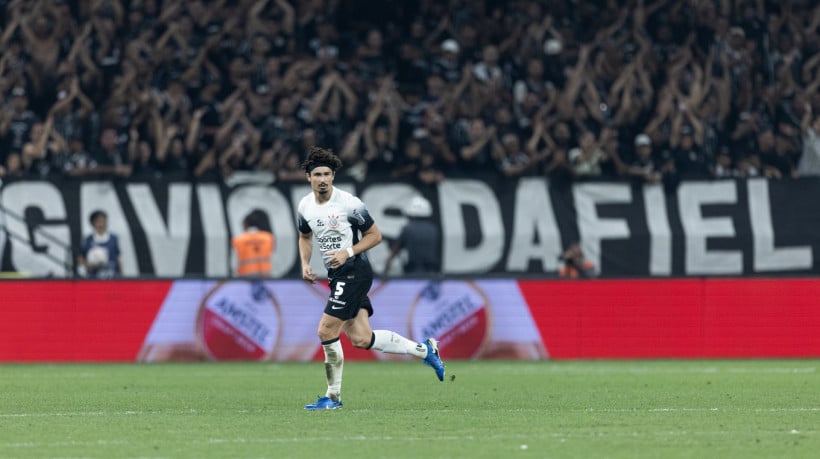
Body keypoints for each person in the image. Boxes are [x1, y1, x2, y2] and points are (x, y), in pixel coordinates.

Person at [296, 146, 445, 410]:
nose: (322, 179)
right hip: (337, 274)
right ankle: (425, 350)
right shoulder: (305, 205)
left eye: (327, 174)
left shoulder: (349, 203)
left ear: (333, 177)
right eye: (317, 174)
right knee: (362, 338)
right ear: (309, 177)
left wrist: (348, 252)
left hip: (354, 270)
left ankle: (332, 398)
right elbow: (305, 236)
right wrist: (305, 263)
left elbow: (375, 235)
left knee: (326, 330)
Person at [383, 195, 440, 276]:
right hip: (432, 273)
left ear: (411, 214)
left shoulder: (408, 229)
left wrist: (387, 265)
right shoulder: (433, 229)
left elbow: (396, 249)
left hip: (413, 273)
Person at [77, 210, 121, 278]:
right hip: (93, 278)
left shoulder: (113, 238)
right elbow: (80, 258)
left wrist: (121, 274)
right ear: (93, 223)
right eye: (99, 222)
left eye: (104, 221)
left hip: (111, 277)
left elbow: (118, 258)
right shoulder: (88, 240)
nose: (102, 224)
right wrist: (89, 265)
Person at [231, 211, 275, 277]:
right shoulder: (268, 238)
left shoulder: (238, 240)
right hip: (266, 278)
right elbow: (273, 259)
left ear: (246, 224)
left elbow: (234, 264)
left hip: (245, 279)